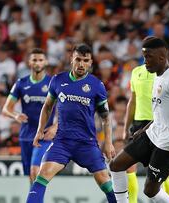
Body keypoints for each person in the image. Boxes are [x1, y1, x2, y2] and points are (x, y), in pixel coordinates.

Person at [110, 37, 169, 203]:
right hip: (153, 133)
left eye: (148, 57)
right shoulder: (157, 76)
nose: (145, 61)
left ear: (161, 57)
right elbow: (161, 112)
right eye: (144, 56)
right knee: (116, 165)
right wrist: (143, 130)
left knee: (150, 191)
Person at [26, 44, 117, 203]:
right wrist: (40, 130)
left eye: (85, 60)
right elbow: (47, 106)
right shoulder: (57, 80)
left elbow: (106, 117)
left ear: (90, 62)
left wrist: (108, 142)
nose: (81, 64)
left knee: (105, 181)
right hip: (62, 142)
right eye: (78, 59)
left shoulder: (97, 86)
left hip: (86, 143)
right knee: (41, 176)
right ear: (71, 60)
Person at [123, 63, 169, 203]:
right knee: (128, 167)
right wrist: (125, 128)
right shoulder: (135, 72)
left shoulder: (165, 73)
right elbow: (133, 100)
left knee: (164, 171)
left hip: (158, 122)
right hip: (139, 124)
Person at [2, 48, 55, 183]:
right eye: (34, 60)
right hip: (26, 135)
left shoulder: (52, 83)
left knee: (35, 171)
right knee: (31, 176)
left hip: (44, 135)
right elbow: (6, 109)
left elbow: (66, 108)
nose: (37, 63)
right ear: (29, 63)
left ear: (46, 62)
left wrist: (56, 126)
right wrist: (15, 116)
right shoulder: (21, 83)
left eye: (40, 60)